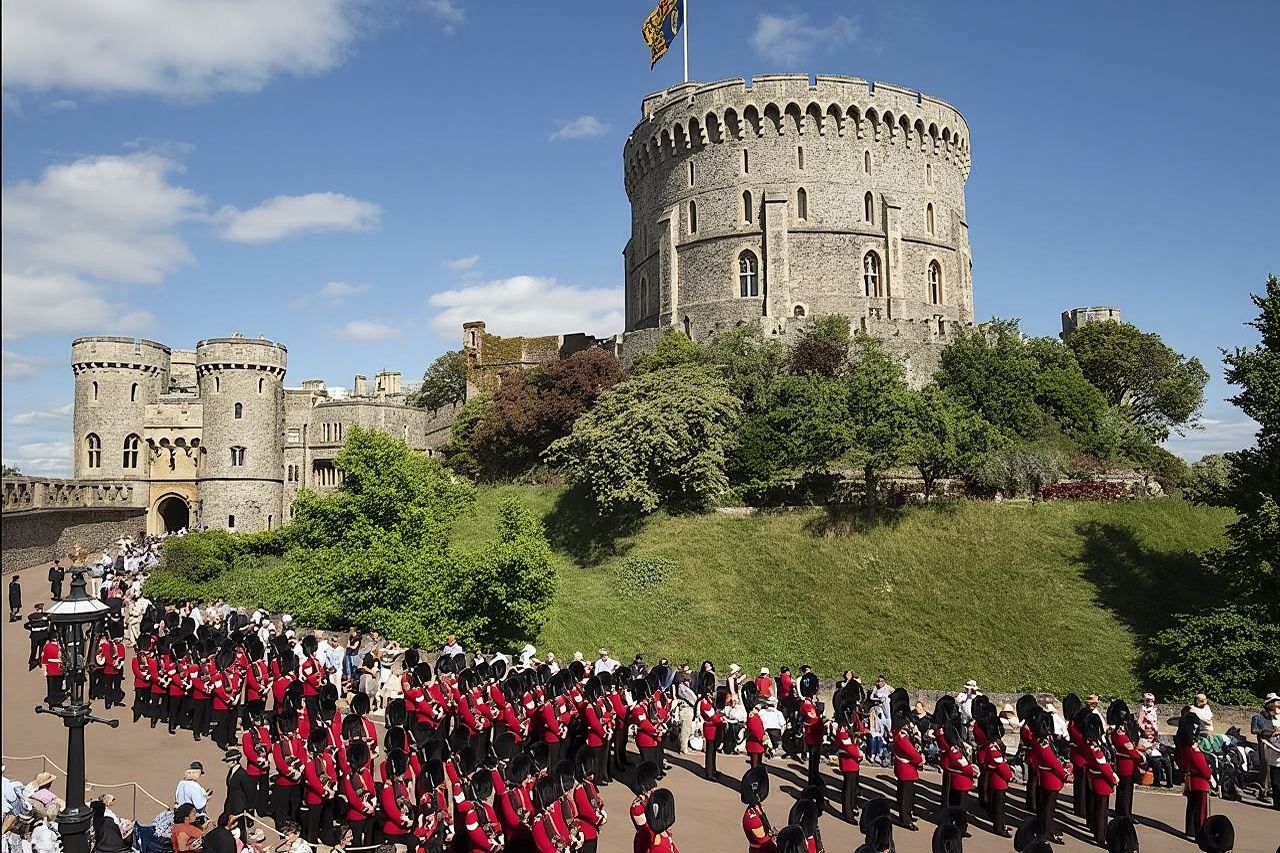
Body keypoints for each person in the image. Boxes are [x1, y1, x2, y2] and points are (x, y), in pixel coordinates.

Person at [1250, 694, 1277, 802]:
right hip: (1264, 742)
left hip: (1274, 743)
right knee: (1265, 766)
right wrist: (1270, 731)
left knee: (1273, 767)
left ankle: (1272, 789)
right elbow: (1254, 730)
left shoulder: (1273, 717)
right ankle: (1265, 789)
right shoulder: (1257, 717)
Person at [24, 603, 50, 671]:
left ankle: (32, 661)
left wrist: (31, 629)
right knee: (41, 649)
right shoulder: (46, 616)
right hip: (43, 635)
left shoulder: (32, 616)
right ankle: (40, 661)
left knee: (33, 649)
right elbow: (48, 624)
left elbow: (26, 625)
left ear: (36, 609)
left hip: (35, 636)